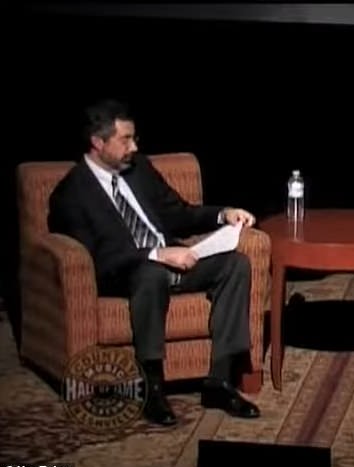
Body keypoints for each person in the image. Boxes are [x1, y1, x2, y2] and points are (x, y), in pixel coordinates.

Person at [48, 99, 261, 426]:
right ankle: (152, 387)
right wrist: (154, 255)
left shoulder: (139, 169)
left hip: (174, 261)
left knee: (235, 264)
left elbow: (179, 214)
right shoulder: (71, 194)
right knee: (150, 274)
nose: (135, 146)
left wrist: (223, 214)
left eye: (135, 138)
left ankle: (219, 381)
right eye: (125, 140)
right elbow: (93, 258)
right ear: (97, 142)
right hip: (125, 273)